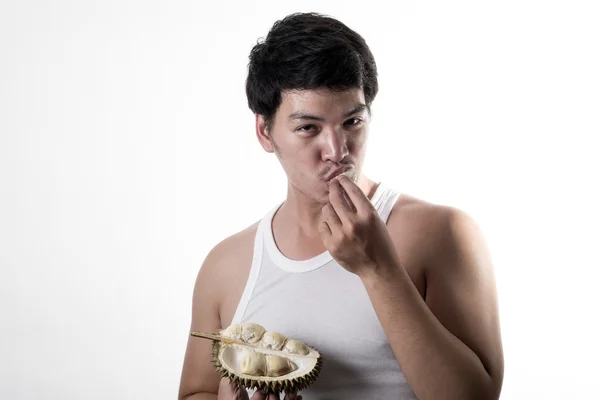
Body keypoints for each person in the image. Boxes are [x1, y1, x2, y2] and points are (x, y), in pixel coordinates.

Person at [178, 12, 504, 400]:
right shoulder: (227, 264)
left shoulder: (440, 232)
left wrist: (379, 269)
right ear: (265, 132)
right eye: (308, 128)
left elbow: (476, 396)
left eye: (352, 121)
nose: (337, 151)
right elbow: (196, 391)